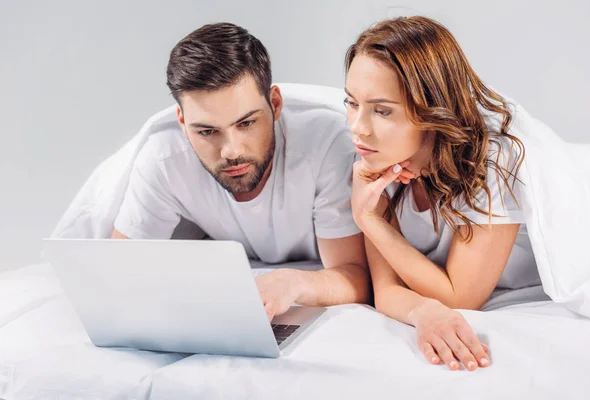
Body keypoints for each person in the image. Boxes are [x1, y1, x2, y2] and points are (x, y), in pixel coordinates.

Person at [111, 22, 370, 322]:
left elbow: (356, 277)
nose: (231, 151)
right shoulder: (164, 159)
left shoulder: (325, 144)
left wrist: (292, 284)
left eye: (246, 123)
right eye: (207, 131)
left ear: (275, 104)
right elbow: (121, 272)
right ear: (182, 122)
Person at [345, 16, 541, 371]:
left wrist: (369, 219)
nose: (358, 128)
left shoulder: (493, 160)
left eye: (382, 110)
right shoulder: (374, 159)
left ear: (430, 108)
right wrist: (422, 311)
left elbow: (461, 298)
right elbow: (385, 290)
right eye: (351, 103)